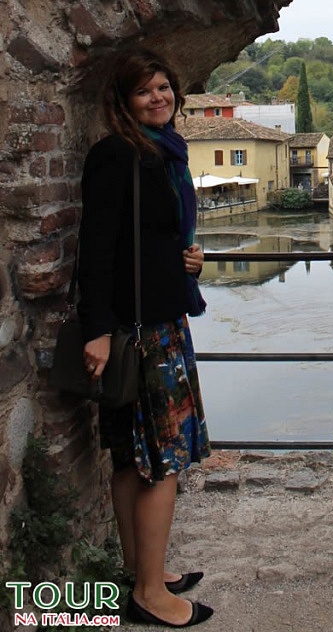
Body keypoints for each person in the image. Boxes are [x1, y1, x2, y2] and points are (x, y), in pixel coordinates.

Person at [77, 47, 213, 628]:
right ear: (123, 102)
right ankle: (151, 595)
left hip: (159, 321)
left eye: (163, 87)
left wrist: (189, 259)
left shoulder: (164, 152)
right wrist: (97, 331)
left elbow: (150, 239)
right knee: (162, 463)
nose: (158, 97)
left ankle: (141, 572)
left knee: (134, 461)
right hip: (138, 334)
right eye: (144, 91)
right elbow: (96, 250)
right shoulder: (117, 155)